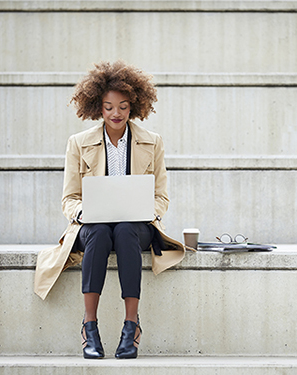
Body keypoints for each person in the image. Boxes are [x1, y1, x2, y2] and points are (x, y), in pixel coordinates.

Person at [34, 61, 188, 359]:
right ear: (97, 108)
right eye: (108, 107)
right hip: (92, 225)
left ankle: (131, 325)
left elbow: (161, 197)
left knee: (126, 230)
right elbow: (69, 199)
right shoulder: (78, 143)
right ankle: (89, 326)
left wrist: (147, 210)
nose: (115, 113)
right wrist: (84, 212)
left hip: (137, 225)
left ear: (134, 106)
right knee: (101, 231)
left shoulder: (152, 142)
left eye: (123, 106)